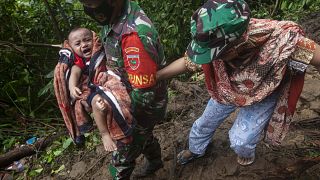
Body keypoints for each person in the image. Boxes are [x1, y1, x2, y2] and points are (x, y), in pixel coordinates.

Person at [157, 0, 320, 166]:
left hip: (264, 93)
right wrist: (157, 76)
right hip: (226, 87)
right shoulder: (211, 40)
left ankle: (246, 153)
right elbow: (188, 62)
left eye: (215, 54)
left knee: (241, 141)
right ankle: (195, 149)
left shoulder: (284, 41)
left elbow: (317, 56)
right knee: (204, 123)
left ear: (239, 40)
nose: (211, 59)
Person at [79, 0, 168, 179]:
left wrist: (120, 118)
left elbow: (144, 93)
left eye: (94, 4)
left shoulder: (133, 35)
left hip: (141, 105)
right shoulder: (114, 17)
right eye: (85, 3)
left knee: (122, 155)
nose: (90, 9)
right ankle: (155, 161)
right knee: (143, 136)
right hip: (126, 92)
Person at [55, 27, 134, 152]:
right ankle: (105, 134)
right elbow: (74, 74)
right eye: (78, 43)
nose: (84, 45)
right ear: (72, 48)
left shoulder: (102, 52)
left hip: (107, 84)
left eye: (87, 40)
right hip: (92, 90)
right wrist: (72, 87)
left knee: (113, 99)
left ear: (94, 40)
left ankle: (124, 118)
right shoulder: (78, 62)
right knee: (97, 102)